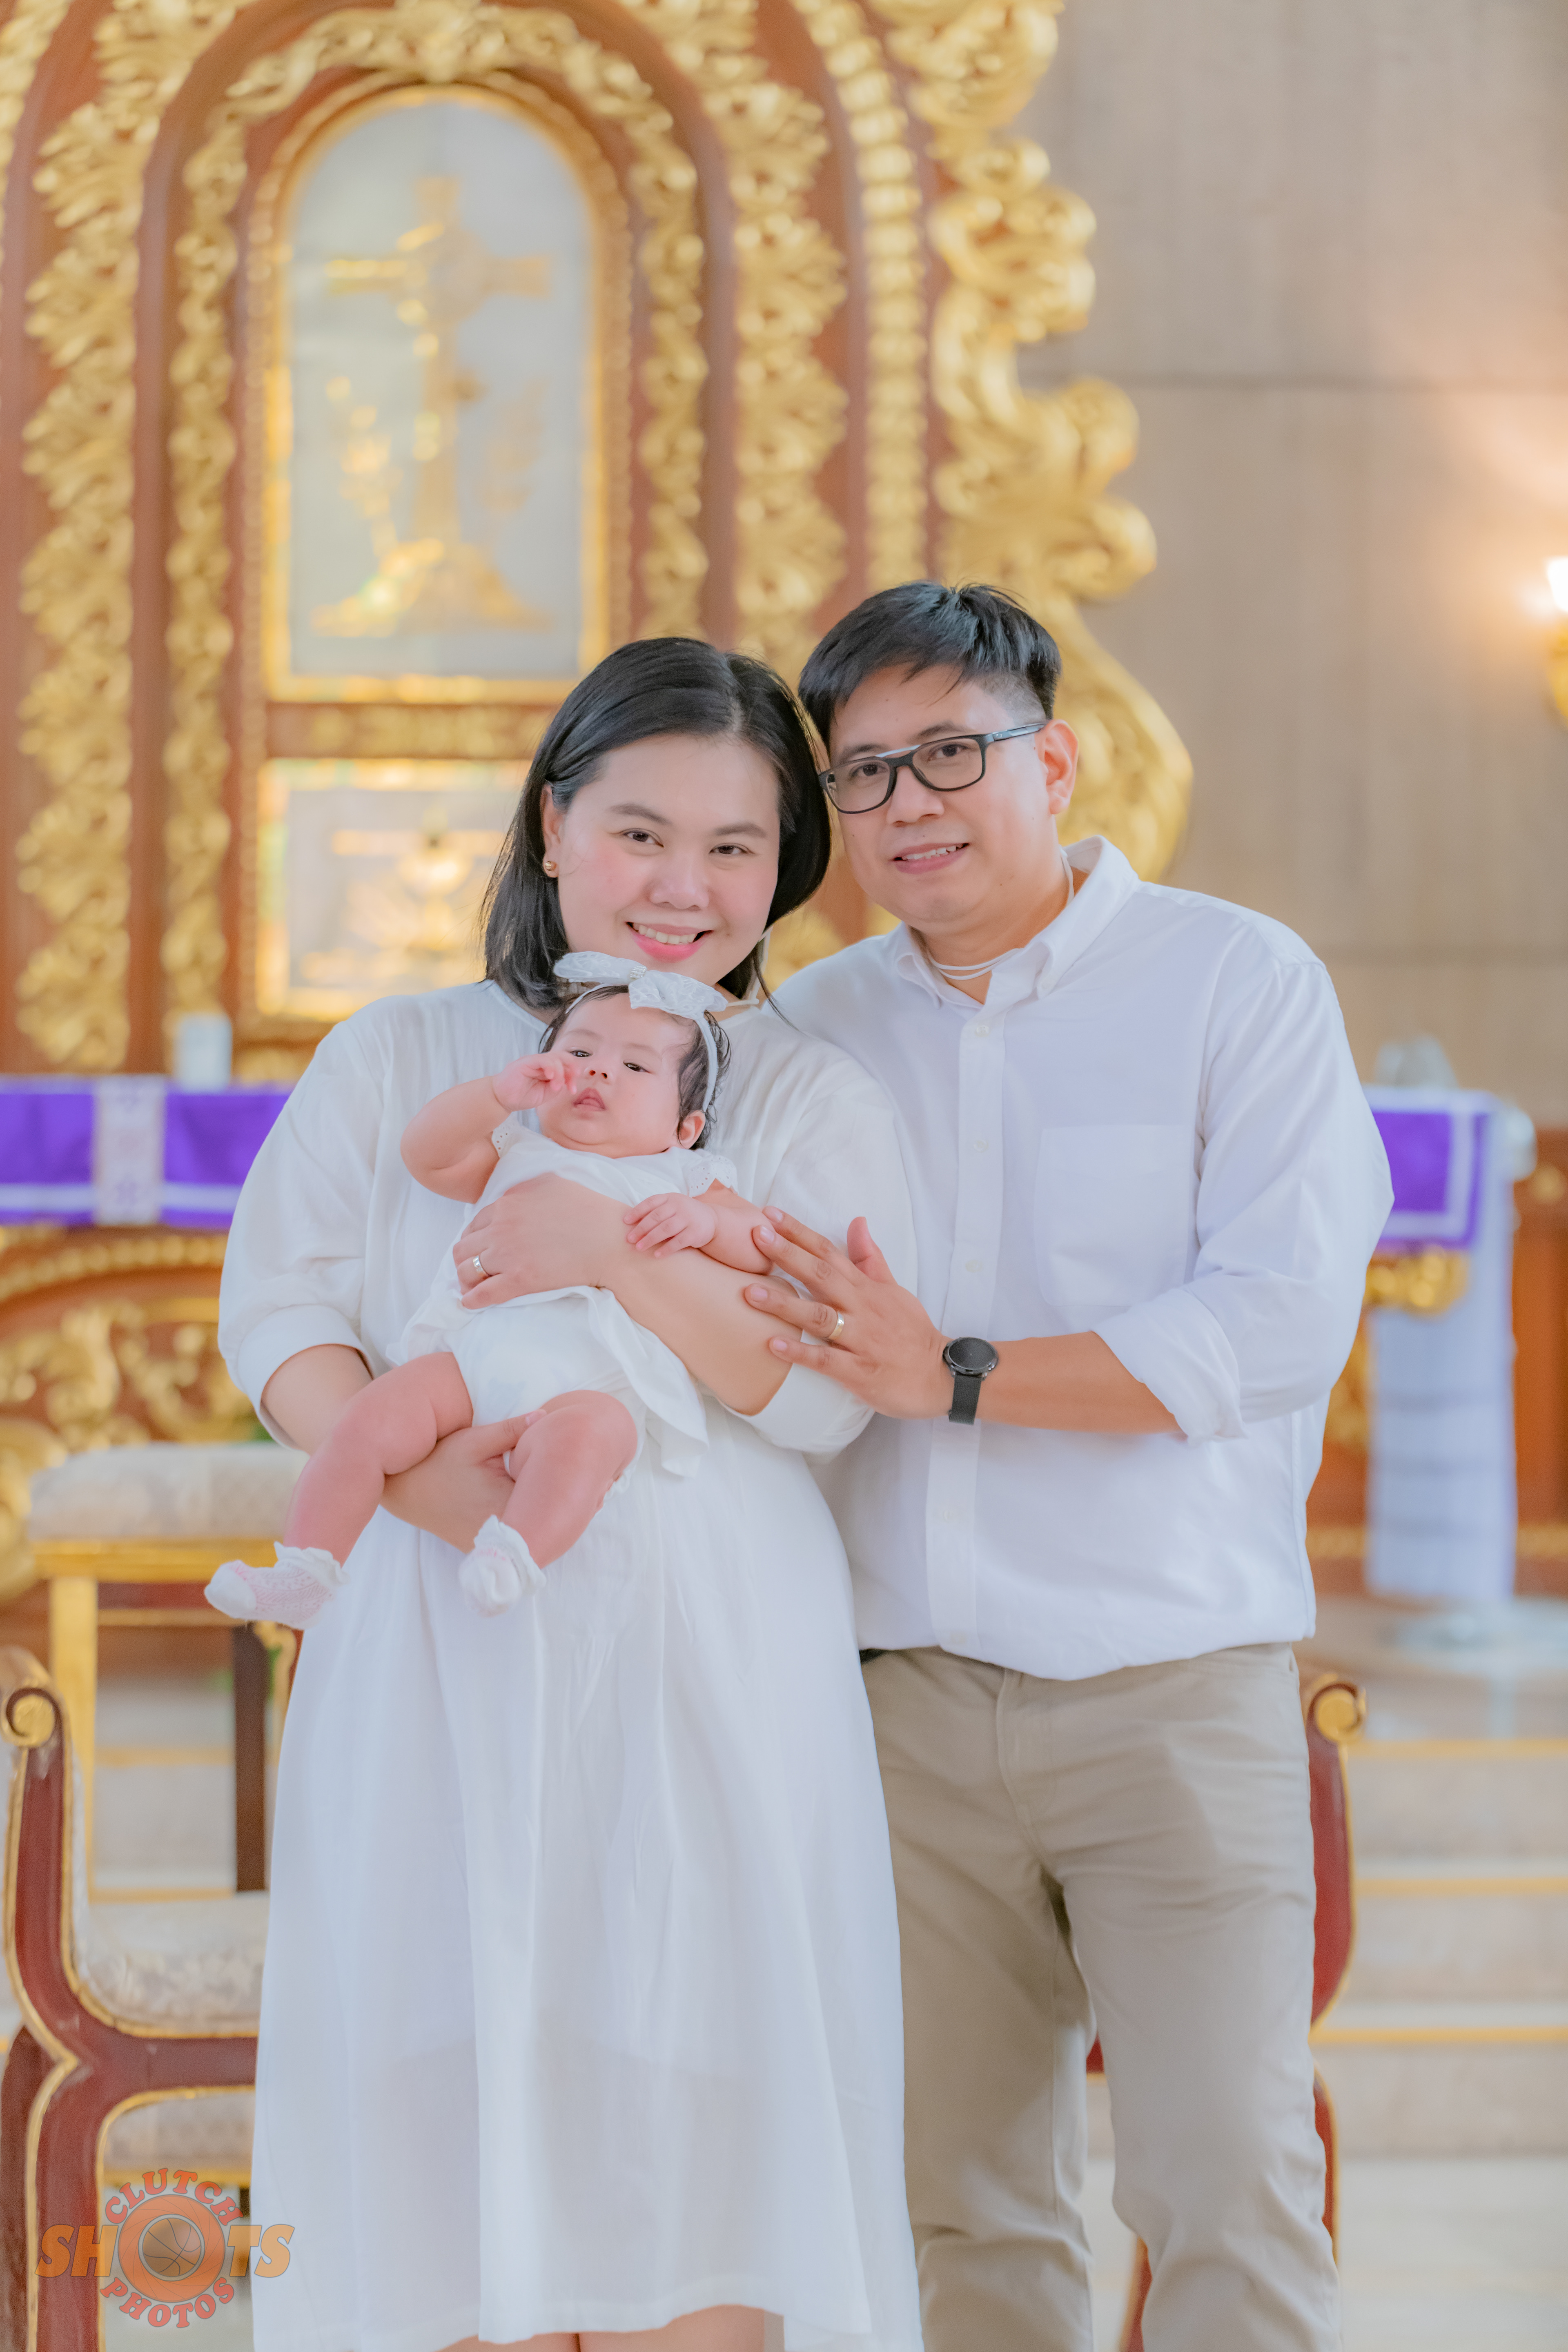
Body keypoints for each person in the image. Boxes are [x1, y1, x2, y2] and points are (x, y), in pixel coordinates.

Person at [218, 636, 923, 2352]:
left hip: (712, 1642)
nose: (685, 887)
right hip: (440, 1629)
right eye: (639, 832)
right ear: (552, 827)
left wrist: (611, 1249)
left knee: (708, 2093)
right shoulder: (405, 1055)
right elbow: (281, 1314)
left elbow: (822, 1393)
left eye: (735, 846)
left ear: (785, 863)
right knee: (443, 2099)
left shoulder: (806, 1091)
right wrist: (428, 1487)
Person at [742, 581, 1393, 2352]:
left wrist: (951, 1374)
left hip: (1168, 1687)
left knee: (1228, 2187)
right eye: (864, 773)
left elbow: (1271, 1328)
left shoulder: (1233, 981)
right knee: (960, 2206)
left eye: (952, 752)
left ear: (1059, 759)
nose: (908, 804)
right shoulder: (811, 1030)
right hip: (898, 1705)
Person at [207, 973, 783, 1626]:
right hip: (473, 1360)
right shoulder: (520, 1154)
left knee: (590, 1443)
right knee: (364, 1422)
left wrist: (707, 1224)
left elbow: (761, 1244)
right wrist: (495, 1097)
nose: (598, 1071)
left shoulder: (684, 1178)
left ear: (686, 1127)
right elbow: (426, 1155)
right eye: (579, 1052)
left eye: (634, 1066)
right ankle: (305, 1569)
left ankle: (514, 1555)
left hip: (596, 1379)